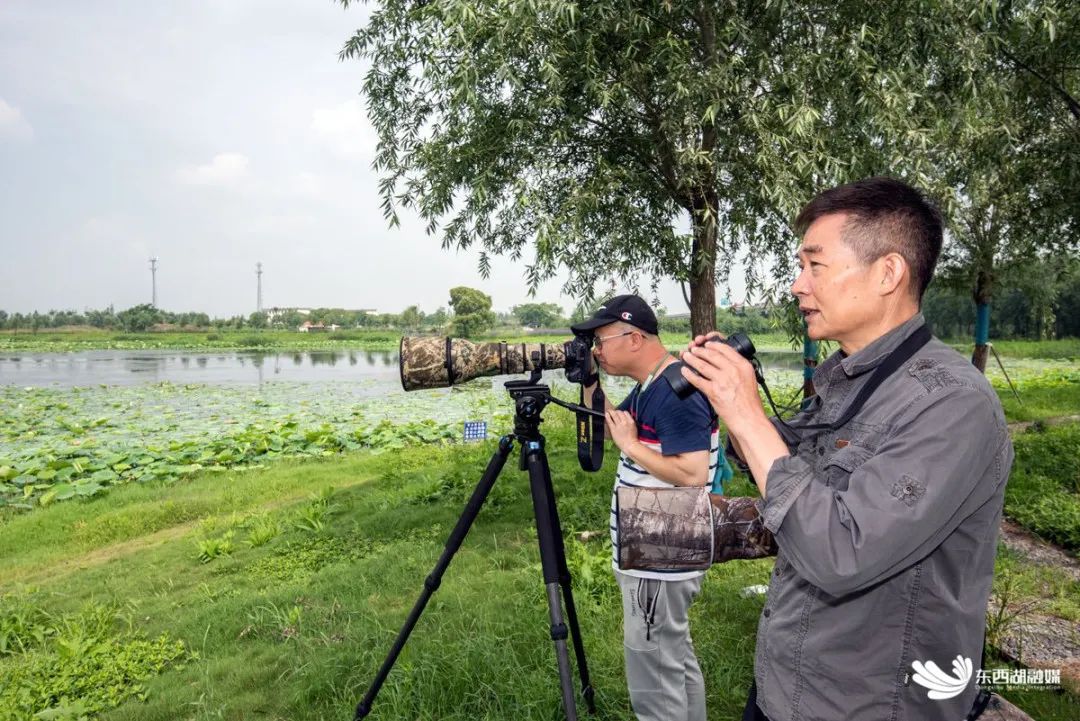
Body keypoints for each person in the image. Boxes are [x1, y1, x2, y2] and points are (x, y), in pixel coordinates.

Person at [680, 176, 1013, 721]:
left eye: (815, 265)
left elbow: (840, 550)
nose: (797, 285)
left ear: (887, 273)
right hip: (787, 687)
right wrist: (726, 401)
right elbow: (789, 469)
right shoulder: (854, 379)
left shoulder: (953, 404)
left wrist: (744, 410)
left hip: (869, 704)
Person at [573, 294, 720, 721]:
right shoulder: (651, 384)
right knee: (672, 658)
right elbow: (613, 425)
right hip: (657, 547)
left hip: (658, 553)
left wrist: (632, 447)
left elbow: (692, 473)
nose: (597, 350)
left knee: (653, 676)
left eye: (600, 341)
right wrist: (588, 380)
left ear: (634, 337)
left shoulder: (677, 390)